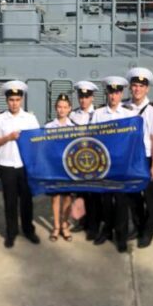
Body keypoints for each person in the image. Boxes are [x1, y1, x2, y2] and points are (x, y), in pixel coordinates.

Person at [0, 80, 41, 248]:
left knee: (26, 200)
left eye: (17, 99)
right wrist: (8, 138)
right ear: (7, 100)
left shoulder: (30, 119)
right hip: (7, 165)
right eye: (11, 100)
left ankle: (28, 230)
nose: (14, 103)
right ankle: (11, 233)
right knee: (10, 201)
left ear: (22, 100)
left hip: (24, 166)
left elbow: (37, 142)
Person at [91, 76, 135, 253]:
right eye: (111, 92)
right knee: (106, 201)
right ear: (107, 93)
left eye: (117, 93)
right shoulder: (99, 114)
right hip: (104, 164)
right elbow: (92, 137)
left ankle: (121, 236)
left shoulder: (128, 114)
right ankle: (107, 231)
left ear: (121, 94)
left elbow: (133, 140)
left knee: (122, 202)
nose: (113, 96)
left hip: (121, 165)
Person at [126, 67, 153, 248]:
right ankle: (138, 226)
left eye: (141, 86)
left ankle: (149, 231)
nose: (137, 89)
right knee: (133, 196)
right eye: (135, 85)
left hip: (147, 158)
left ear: (147, 89)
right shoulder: (125, 108)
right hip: (130, 160)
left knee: (149, 197)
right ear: (130, 87)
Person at [43, 93, 75, 242]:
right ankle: (56, 226)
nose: (62, 110)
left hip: (68, 167)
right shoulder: (48, 126)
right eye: (59, 107)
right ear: (56, 108)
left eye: (65, 107)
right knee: (55, 197)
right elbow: (44, 147)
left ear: (69, 109)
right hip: (54, 167)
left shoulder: (74, 128)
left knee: (68, 197)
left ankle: (64, 224)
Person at [68, 80, 99, 238]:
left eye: (86, 97)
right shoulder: (73, 115)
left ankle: (93, 226)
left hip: (94, 160)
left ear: (92, 97)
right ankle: (81, 221)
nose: (83, 100)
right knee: (79, 194)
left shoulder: (98, 114)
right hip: (77, 160)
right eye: (81, 97)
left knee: (93, 195)